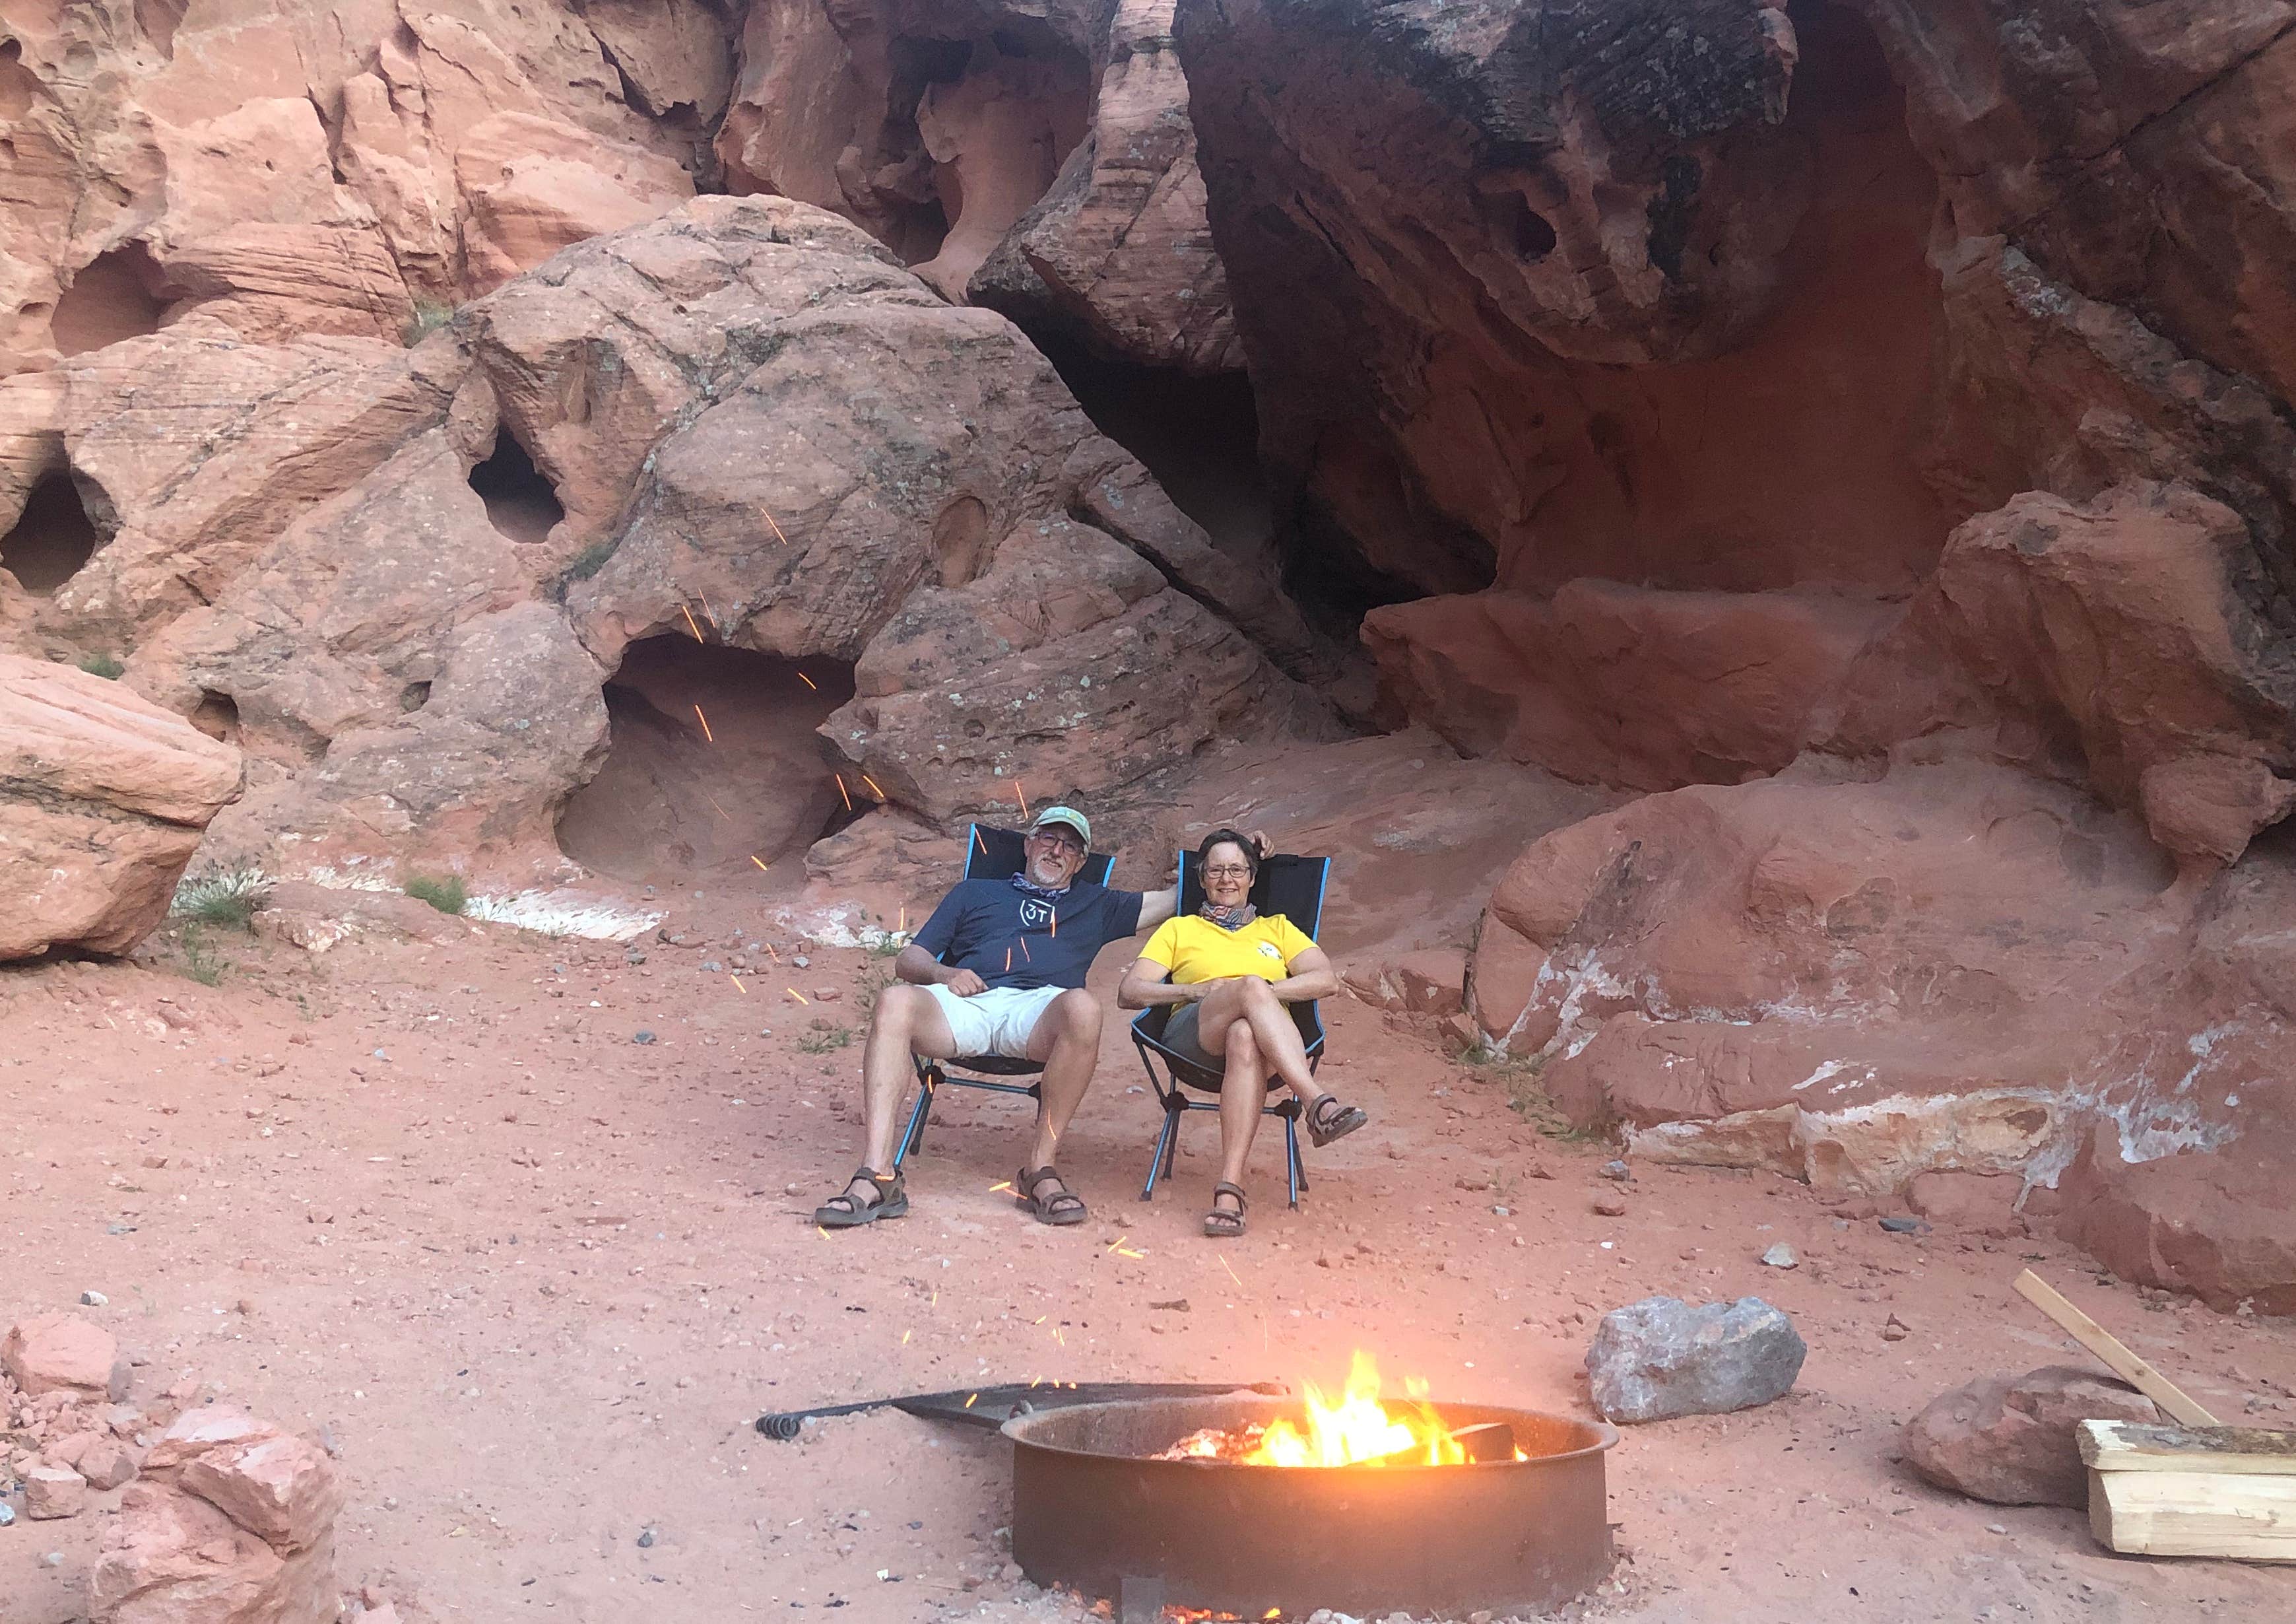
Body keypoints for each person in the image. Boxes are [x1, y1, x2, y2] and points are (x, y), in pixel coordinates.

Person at [813, 804, 1178, 1230]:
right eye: (1048, 838)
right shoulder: (975, 891)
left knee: (1083, 1006)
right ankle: (877, 1174)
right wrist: (944, 973)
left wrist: (1250, 859)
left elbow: (1184, 895)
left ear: (1081, 862)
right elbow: (909, 959)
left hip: (1040, 1013)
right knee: (895, 1000)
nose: (1057, 850)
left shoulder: (1097, 903)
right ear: (1028, 844)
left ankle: (1040, 1172)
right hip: (968, 1001)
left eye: (1070, 846)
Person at [1117, 829, 1363, 1238]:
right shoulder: (1180, 929)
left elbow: (1326, 980)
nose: (1226, 879)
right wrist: (1195, 990)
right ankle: (1317, 1102)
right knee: (1249, 989)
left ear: (1252, 878)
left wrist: (1261, 995)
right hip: (1195, 1034)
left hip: (1266, 1044)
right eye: (1215, 870)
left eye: (1236, 869)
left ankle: (1229, 1191)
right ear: (1201, 880)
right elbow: (1130, 992)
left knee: (1246, 1034)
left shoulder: (1278, 928)